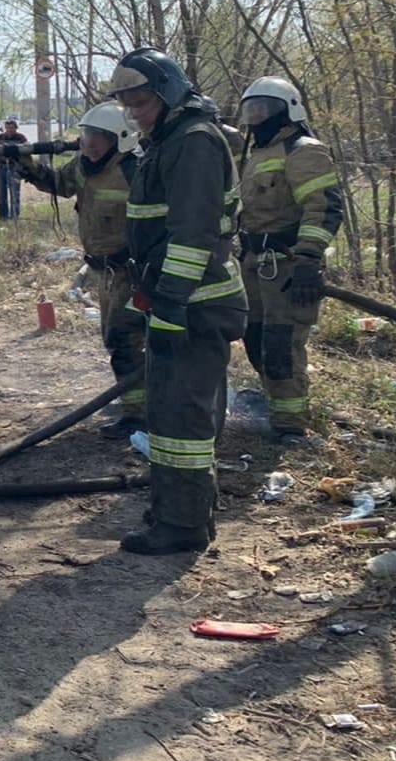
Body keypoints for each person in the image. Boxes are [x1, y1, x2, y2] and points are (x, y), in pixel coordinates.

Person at [107, 48, 246, 555]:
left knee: (183, 419)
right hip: (177, 301)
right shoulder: (168, 140)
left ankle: (183, 527)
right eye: (127, 105)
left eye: (140, 101)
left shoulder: (194, 142)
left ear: (167, 92)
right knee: (169, 416)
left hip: (194, 304)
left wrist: (169, 304)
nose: (134, 113)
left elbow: (193, 235)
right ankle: (178, 515)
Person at [9, 103, 147, 437]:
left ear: (122, 138)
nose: (90, 142)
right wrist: (25, 164)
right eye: (87, 134)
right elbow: (60, 183)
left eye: (100, 136)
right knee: (115, 341)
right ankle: (137, 404)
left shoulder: (137, 171)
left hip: (135, 272)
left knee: (125, 338)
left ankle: (139, 416)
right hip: (106, 272)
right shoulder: (84, 168)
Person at [236, 76, 342, 442]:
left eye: (263, 109)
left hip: (286, 265)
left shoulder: (304, 151)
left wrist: (308, 261)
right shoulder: (257, 155)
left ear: (287, 111)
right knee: (253, 336)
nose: (256, 116)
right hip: (254, 261)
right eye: (252, 109)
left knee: (282, 343)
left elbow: (324, 208)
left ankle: (290, 425)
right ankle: (274, 403)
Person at [0, 118, 27, 219]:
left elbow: (26, 153)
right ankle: (3, 217)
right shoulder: (0, 137)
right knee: (1, 195)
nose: (9, 130)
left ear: (16, 128)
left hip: (14, 168)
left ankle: (15, 216)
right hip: (1, 167)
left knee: (14, 194)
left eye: (11, 128)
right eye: (7, 128)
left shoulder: (20, 138)